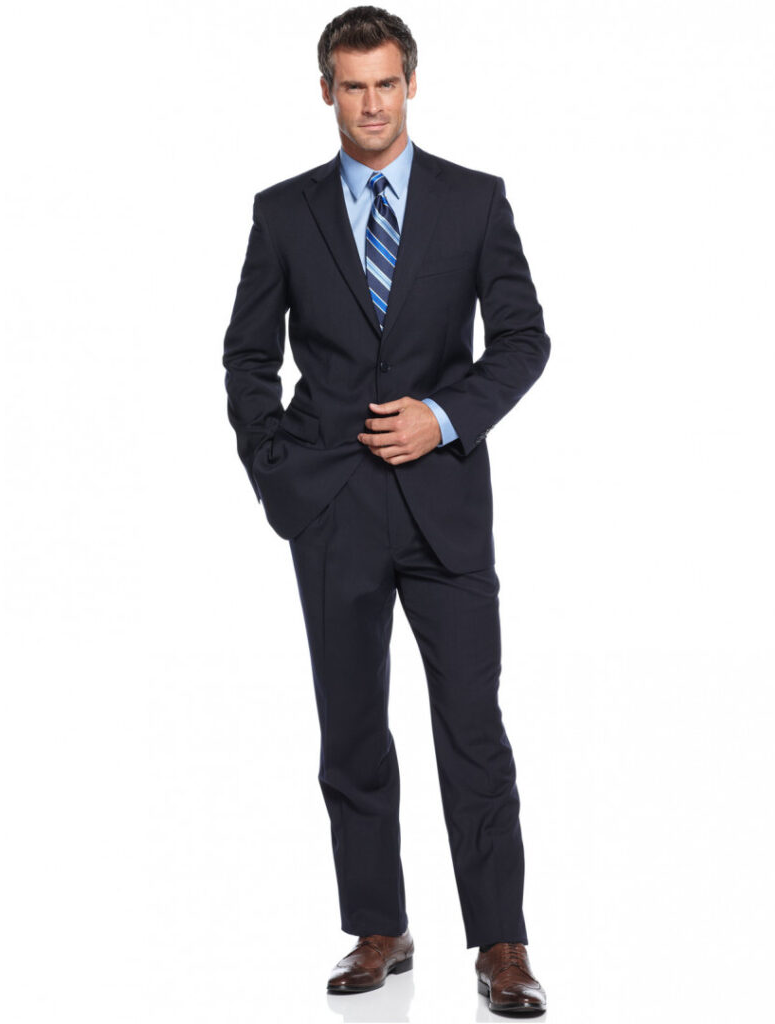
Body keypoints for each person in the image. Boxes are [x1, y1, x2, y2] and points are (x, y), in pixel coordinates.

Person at [222, 5, 551, 1014]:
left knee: (472, 727)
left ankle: (501, 942)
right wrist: (280, 474)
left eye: (386, 84)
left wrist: (442, 417)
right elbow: (246, 357)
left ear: (411, 83)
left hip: (443, 504)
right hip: (332, 507)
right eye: (353, 86)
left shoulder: (473, 200)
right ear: (327, 91)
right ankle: (378, 926)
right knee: (352, 727)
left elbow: (523, 338)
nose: (372, 104)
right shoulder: (283, 212)